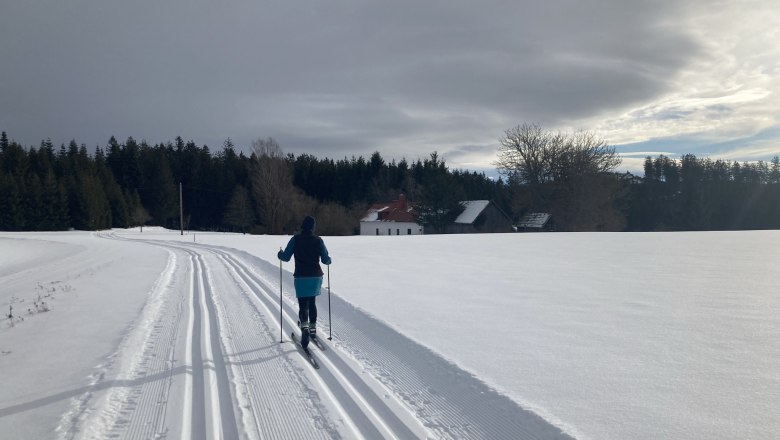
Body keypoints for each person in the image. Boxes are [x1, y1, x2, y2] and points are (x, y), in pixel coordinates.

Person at [277, 215, 331, 348]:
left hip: (301, 276)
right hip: (316, 277)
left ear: (302, 226)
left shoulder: (295, 239)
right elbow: (325, 260)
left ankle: (305, 328)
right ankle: (312, 329)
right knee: (312, 302)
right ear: (313, 227)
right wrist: (329, 260)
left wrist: (280, 254)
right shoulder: (318, 240)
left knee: (303, 304)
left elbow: (285, 258)